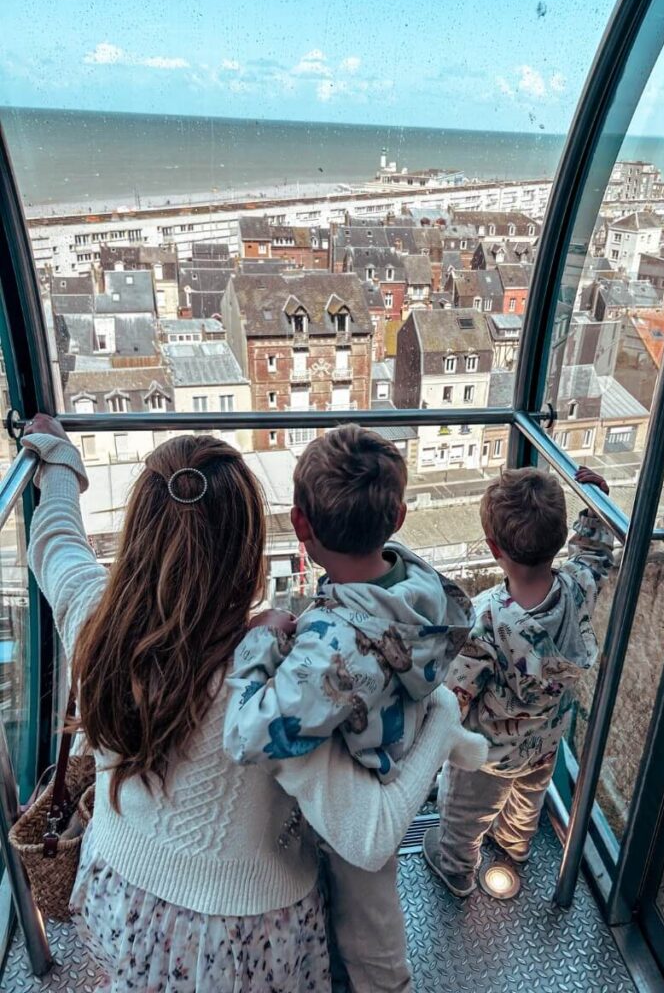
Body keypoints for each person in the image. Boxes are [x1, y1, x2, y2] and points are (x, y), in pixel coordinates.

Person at [23, 414, 485, 993]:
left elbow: (55, 543)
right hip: (250, 931)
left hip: (126, 891)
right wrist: (443, 716)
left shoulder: (94, 619)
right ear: (250, 549)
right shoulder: (283, 690)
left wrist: (59, 465)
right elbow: (371, 835)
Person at [224, 425, 482, 992]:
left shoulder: (332, 651)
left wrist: (260, 641)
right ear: (398, 518)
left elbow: (247, 735)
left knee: (370, 936)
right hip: (397, 733)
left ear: (300, 524)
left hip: (365, 787)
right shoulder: (419, 585)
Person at [423, 466, 614, 896]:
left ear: (494, 548)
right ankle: (514, 845)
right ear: (560, 537)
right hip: (545, 742)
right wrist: (597, 508)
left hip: (487, 756)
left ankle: (455, 866)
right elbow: (595, 554)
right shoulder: (579, 587)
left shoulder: (486, 618)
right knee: (527, 801)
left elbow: (456, 697)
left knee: (464, 813)